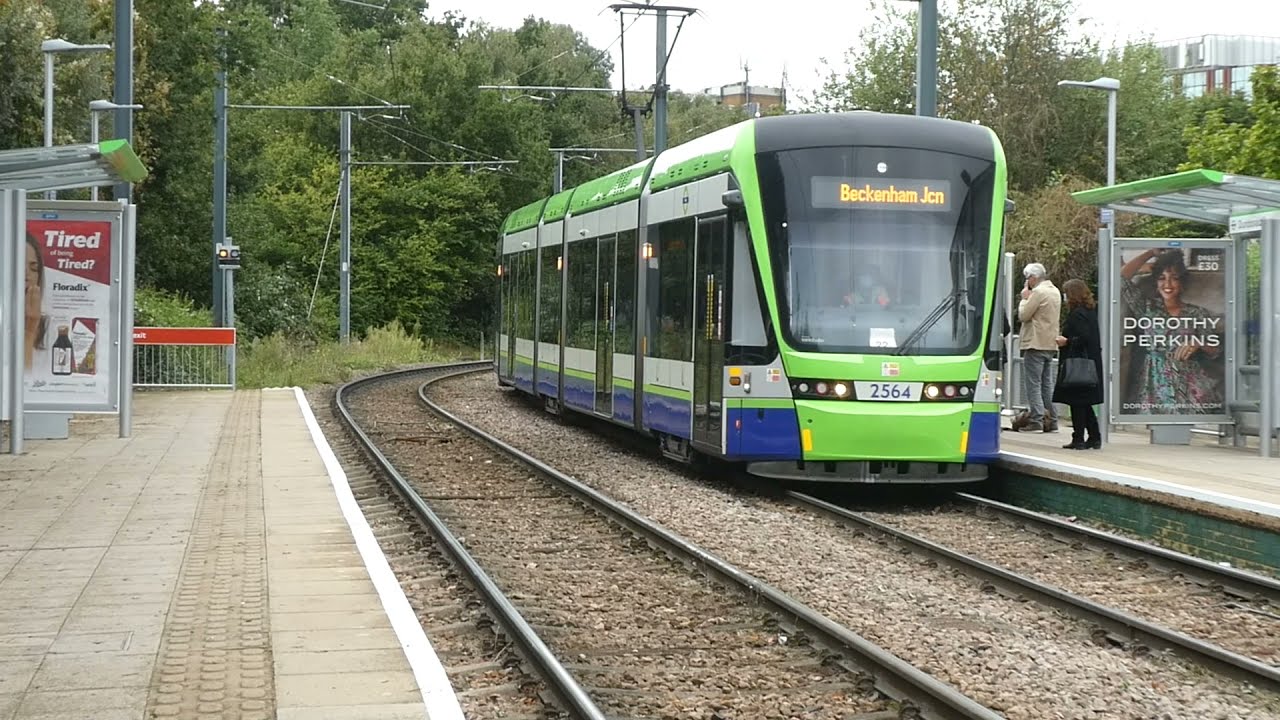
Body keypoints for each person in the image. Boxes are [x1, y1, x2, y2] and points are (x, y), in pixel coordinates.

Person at [1119, 248, 1222, 414]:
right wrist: (1151, 253)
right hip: (1154, 380)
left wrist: (1198, 344)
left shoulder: (1197, 313)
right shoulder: (1147, 308)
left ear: (1181, 282)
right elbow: (1121, 277)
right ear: (1156, 283)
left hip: (1189, 382)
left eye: (1174, 278)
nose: (1167, 284)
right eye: (1162, 278)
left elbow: (1215, 351)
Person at [1053, 279, 1103, 449]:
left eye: (1066, 293)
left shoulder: (1077, 314)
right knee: (1084, 403)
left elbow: (1083, 338)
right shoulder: (1090, 311)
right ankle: (1095, 437)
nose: (1064, 297)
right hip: (1090, 363)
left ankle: (1079, 439)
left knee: (1077, 403)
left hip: (1078, 364)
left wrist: (1066, 341)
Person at [1012, 262, 1060, 432]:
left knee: (1033, 384)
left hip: (1035, 343)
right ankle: (1053, 421)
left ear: (1033, 278)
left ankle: (1036, 421)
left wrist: (1024, 299)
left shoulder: (1038, 292)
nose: (1027, 282)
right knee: (1047, 384)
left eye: (1027, 278)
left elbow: (1024, 315)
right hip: (1050, 344)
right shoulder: (1055, 290)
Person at [24, 231, 49, 373]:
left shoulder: (49, 326)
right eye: (16, 266)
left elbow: (26, 380)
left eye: (34, 269)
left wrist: (31, 328)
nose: (26, 275)